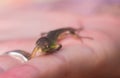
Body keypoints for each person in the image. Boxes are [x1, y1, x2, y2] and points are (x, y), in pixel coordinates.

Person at [0, 0, 120, 78]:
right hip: (51, 28)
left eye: (44, 47)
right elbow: (36, 49)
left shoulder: (53, 44)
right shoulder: (41, 44)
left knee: (71, 32)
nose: (40, 48)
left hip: (64, 29)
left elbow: (60, 46)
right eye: (40, 45)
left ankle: (78, 34)